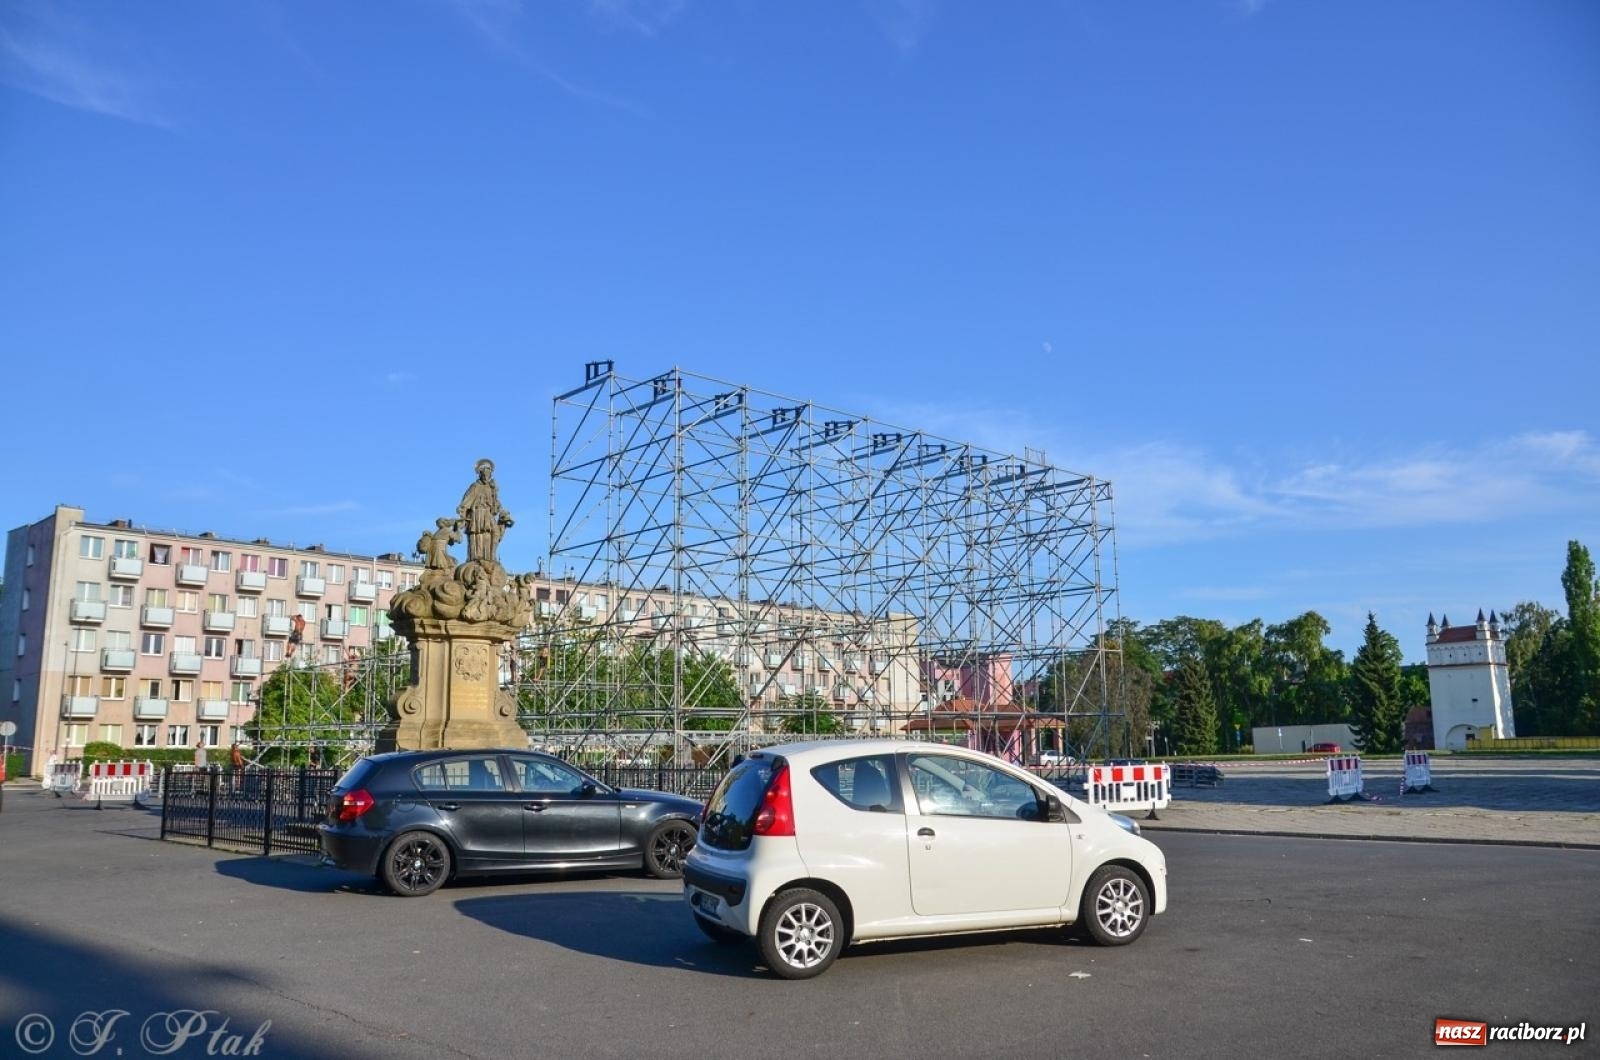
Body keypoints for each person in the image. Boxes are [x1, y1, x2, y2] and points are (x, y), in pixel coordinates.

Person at [457, 458, 514, 564]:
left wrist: (494, 491)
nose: (487, 477)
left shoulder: (490, 487)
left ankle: (491, 556)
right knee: (478, 534)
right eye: (485, 475)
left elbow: (495, 505)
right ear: (480, 474)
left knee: (495, 533)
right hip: (477, 513)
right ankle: (476, 556)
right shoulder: (475, 486)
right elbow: (466, 502)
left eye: (489, 475)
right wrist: (463, 515)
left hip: (487, 513)